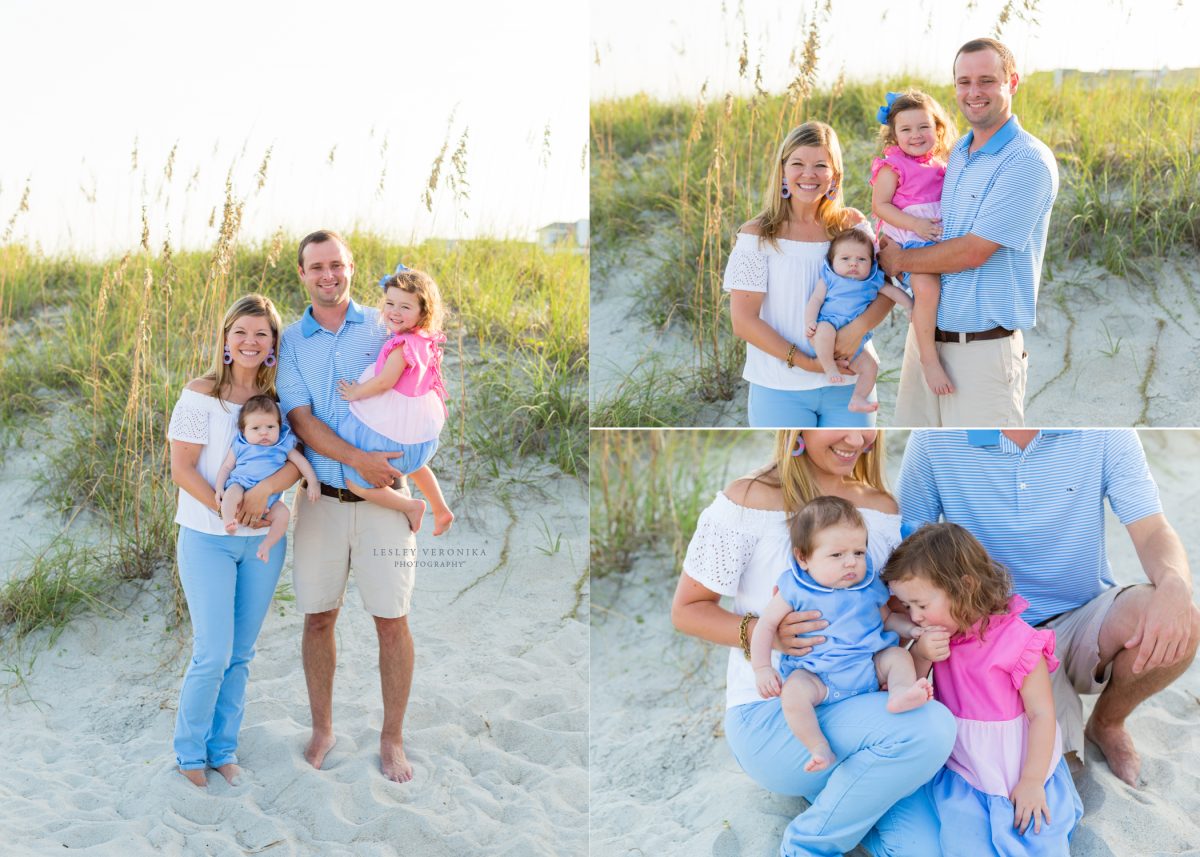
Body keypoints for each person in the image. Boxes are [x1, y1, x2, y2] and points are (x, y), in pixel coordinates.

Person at [672, 430, 956, 856]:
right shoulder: (748, 500)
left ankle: (837, 794)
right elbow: (688, 610)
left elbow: (887, 617)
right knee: (931, 727)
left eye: (868, 423)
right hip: (778, 711)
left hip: (865, 707)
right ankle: (806, 847)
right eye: (837, 422)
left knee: (926, 849)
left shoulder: (879, 511)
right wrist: (771, 638)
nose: (857, 437)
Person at [898, 429, 1200, 788]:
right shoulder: (933, 438)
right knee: (1056, 779)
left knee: (1183, 621)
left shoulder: (1105, 431)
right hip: (992, 634)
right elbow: (907, 547)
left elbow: (1152, 530)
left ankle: (1107, 722)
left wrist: (1175, 585)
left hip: (1084, 619)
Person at [276, 229, 420, 783]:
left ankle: (391, 739)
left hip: (385, 498)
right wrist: (358, 458)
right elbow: (302, 420)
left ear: (352, 267)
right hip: (322, 500)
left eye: (336, 264)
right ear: (302, 274)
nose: (327, 275)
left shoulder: (386, 323)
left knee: (392, 621)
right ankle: (323, 729)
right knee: (318, 618)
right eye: (316, 267)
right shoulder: (291, 342)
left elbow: (420, 386)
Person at [877, 37, 1059, 426]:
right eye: (964, 82)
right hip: (927, 341)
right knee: (926, 458)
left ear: (1012, 82)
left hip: (981, 351)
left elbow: (972, 251)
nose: (974, 92)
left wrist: (898, 259)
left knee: (987, 468)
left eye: (986, 81)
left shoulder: (1026, 161)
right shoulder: (957, 153)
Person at [883, 522, 1083, 856]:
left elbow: (1042, 714)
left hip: (1018, 761)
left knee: (1040, 838)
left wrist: (1032, 780)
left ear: (965, 586)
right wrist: (919, 654)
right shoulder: (938, 637)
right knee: (964, 841)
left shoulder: (1018, 640)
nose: (914, 617)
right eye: (907, 607)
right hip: (965, 767)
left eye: (920, 604)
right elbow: (912, 688)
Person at [167, 294, 300, 788]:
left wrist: (263, 493)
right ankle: (189, 754)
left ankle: (223, 749)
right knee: (213, 652)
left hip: (263, 542)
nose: (250, 341)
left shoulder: (277, 403)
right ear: (226, 339)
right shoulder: (200, 393)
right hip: (209, 538)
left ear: (272, 345)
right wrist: (231, 509)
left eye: (261, 334)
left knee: (241, 654)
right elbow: (182, 469)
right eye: (241, 332)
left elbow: (292, 460)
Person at [724, 122, 895, 427]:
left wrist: (856, 331)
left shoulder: (851, 226)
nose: (808, 174)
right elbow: (744, 321)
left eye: (820, 165)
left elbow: (883, 289)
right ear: (783, 171)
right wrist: (809, 364)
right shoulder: (757, 236)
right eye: (798, 164)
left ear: (834, 176)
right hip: (779, 387)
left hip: (849, 382)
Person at [751, 496, 932, 773]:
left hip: (867, 668)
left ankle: (899, 694)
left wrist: (911, 629)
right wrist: (762, 668)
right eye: (837, 555)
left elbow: (887, 619)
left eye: (858, 553)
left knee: (897, 656)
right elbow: (765, 625)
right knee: (793, 694)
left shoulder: (868, 586)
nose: (851, 563)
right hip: (817, 675)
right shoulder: (795, 588)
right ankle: (817, 746)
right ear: (804, 558)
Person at [336, 265, 453, 536]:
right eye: (389, 303)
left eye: (405, 307)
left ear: (424, 312)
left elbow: (385, 382)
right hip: (418, 441)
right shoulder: (426, 341)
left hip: (392, 434)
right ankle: (441, 507)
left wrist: (357, 392)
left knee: (356, 482)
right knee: (416, 466)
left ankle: (410, 505)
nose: (394, 312)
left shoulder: (402, 346)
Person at [869, 89, 956, 396]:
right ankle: (928, 359)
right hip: (909, 238)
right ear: (894, 136)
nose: (916, 135)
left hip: (938, 236)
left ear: (938, 129)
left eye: (924, 127)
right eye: (906, 129)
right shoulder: (893, 166)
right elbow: (880, 205)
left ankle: (919, 314)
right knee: (927, 286)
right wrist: (916, 225)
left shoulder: (943, 164)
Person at [803, 230, 909, 414]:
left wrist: (910, 305)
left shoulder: (873, 280)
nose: (853, 263)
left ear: (872, 263)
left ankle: (858, 398)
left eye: (861, 260)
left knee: (871, 367)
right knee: (825, 330)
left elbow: (893, 292)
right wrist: (810, 321)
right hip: (827, 325)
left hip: (855, 342)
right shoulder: (830, 278)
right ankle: (829, 367)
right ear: (832, 261)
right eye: (845, 259)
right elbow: (815, 300)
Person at [215, 394, 319, 561]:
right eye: (255, 428)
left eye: (270, 427)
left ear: (279, 426)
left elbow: (301, 462)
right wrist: (220, 487)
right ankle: (229, 521)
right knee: (230, 494)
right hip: (240, 485)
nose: (264, 433)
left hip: (270, 499)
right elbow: (227, 467)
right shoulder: (241, 444)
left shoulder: (283, 445)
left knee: (283, 514)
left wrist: (313, 482)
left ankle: (267, 545)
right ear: (243, 430)